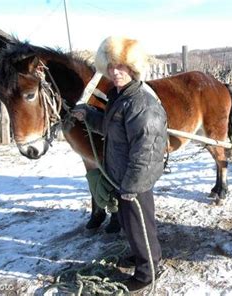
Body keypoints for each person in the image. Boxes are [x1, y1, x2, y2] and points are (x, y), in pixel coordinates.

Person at [71, 36, 167, 292]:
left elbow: (147, 151)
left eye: (121, 67)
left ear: (133, 68)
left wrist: (132, 185)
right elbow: (110, 128)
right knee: (129, 224)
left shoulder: (141, 104)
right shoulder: (120, 97)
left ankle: (148, 272)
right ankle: (140, 255)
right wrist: (88, 115)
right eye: (111, 67)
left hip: (134, 180)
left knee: (140, 225)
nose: (115, 72)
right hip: (121, 177)